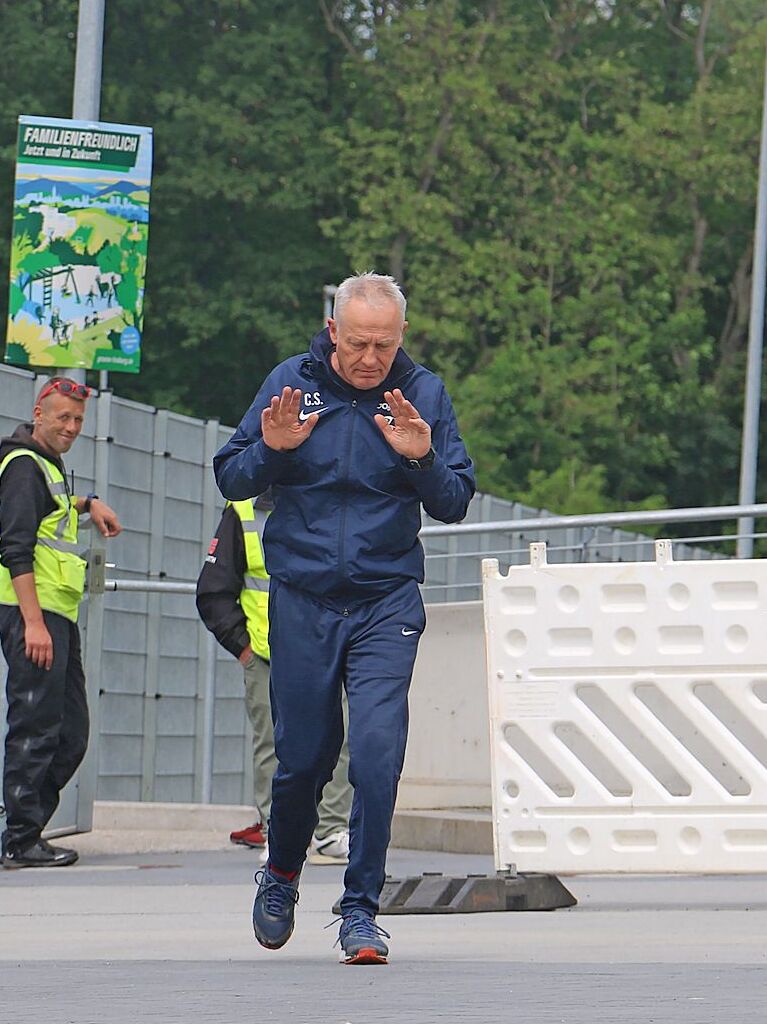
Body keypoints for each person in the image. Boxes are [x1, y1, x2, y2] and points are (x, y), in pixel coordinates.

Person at [214, 272, 475, 964]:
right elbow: (230, 477)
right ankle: (281, 875)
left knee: (378, 758)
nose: (368, 358)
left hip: (385, 602)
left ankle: (361, 909)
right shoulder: (288, 383)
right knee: (302, 762)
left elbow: (453, 500)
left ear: (401, 338)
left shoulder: (423, 395)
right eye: (357, 342)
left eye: (382, 346)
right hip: (302, 601)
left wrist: (421, 461)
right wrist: (273, 447)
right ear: (333, 331)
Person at [0, 377, 121, 868]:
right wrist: (33, 624)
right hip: (33, 614)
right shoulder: (24, 465)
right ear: (39, 413)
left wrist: (87, 503)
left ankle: (23, 827)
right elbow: (15, 547)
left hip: (55, 614)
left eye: (78, 420)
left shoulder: (44, 465)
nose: (71, 427)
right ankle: (20, 838)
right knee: (37, 725)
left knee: (69, 731)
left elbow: (47, 512)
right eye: (62, 418)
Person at [195, 492, 353, 864]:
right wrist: (244, 650)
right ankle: (276, 832)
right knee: (273, 745)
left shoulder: (325, 493)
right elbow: (213, 590)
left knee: (342, 737)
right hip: (268, 655)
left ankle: (331, 832)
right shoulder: (243, 511)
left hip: (326, 646)